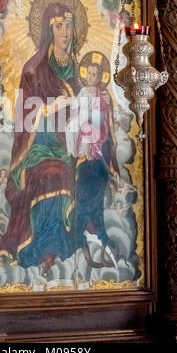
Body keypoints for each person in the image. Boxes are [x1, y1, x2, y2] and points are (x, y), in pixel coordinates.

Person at [0, 3, 80, 273]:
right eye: (60, 26)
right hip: (37, 149)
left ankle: (61, 242)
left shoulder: (76, 68)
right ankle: (44, 246)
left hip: (67, 145)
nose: (66, 32)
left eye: (69, 26)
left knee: (79, 174)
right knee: (55, 174)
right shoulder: (33, 69)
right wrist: (51, 108)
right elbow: (24, 114)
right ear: (48, 31)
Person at [66, 53, 120, 254]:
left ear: (99, 76)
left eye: (95, 74)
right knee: (83, 193)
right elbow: (78, 122)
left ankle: (101, 232)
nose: (92, 76)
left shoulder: (103, 96)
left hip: (100, 153)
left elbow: (105, 122)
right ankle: (77, 235)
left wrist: (109, 106)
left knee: (98, 195)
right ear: (85, 74)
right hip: (86, 153)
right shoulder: (82, 95)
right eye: (89, 73)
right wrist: (85, 147)